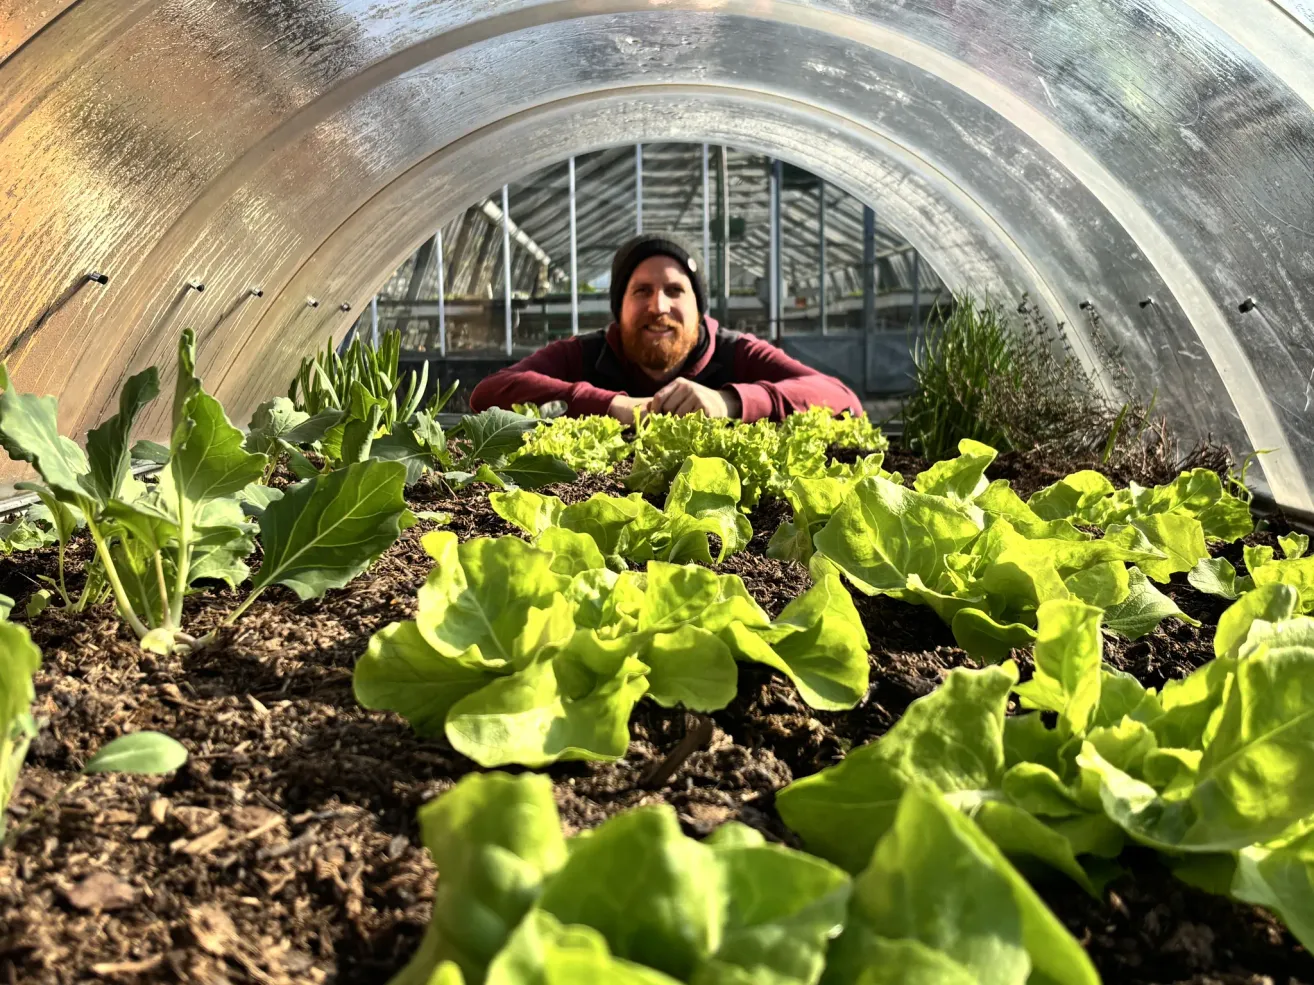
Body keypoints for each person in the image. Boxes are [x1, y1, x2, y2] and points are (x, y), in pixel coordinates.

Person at [468, 232, 863, 424]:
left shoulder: (734, 352)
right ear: (618, 308)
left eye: (675, 290)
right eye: (641, 291)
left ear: (697, 306)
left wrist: (730, 402)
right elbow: (488, 395)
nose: (659, 306)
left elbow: (844, 400)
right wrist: (610, 406)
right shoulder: (588, 353)